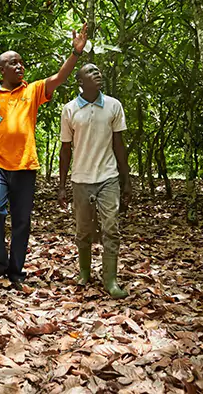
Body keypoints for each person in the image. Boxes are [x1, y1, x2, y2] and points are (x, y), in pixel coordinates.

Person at [0, 24, 88, 289]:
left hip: (25, 165)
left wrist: (76, 53)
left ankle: (15, 269)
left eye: (21, 63)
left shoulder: (32, 91)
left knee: (22, 220)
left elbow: (59, 78)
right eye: (13, 63)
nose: (19, 67)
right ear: (2, 70)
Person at [58, 63, 131, 298]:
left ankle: (110, 281)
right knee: (83, 230)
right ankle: (84, 272)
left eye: (98, 71)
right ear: (80, 82)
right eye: (90, 72)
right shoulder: (69, 110)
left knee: (111, 228)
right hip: (80, 178)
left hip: (108, 177)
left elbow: (119, 145)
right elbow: (65, 150)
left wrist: (126, 180)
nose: (97, 74)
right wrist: (61, 186)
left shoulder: (113, 105)